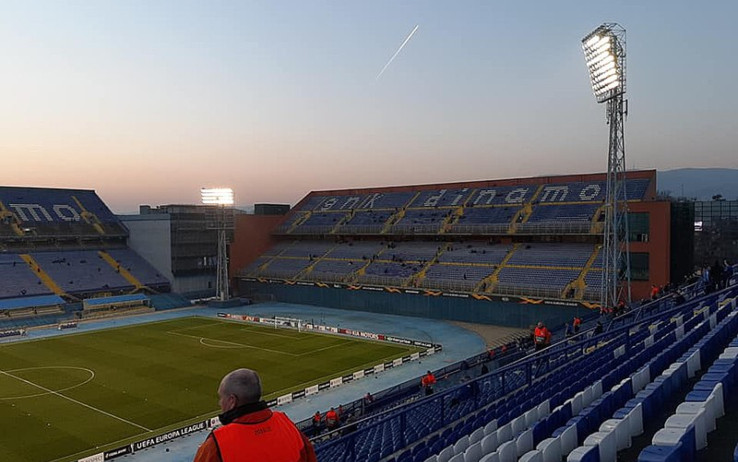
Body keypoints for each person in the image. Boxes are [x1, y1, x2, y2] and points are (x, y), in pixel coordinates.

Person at [193, 368, 316, 462]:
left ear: (232, 401)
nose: (220, 403)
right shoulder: (287, 425)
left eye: (221, 398)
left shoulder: (216, 443)